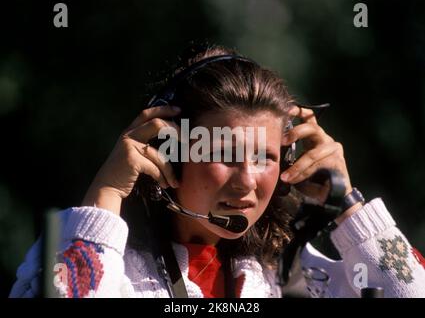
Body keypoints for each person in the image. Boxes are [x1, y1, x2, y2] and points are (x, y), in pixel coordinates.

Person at [9, 44, 425, 298]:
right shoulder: (82, 251)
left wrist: (347, 203)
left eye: (264, 157)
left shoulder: (290, 274)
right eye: (223, 153)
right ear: (167, 154)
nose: (246, 182)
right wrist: (106, 195)